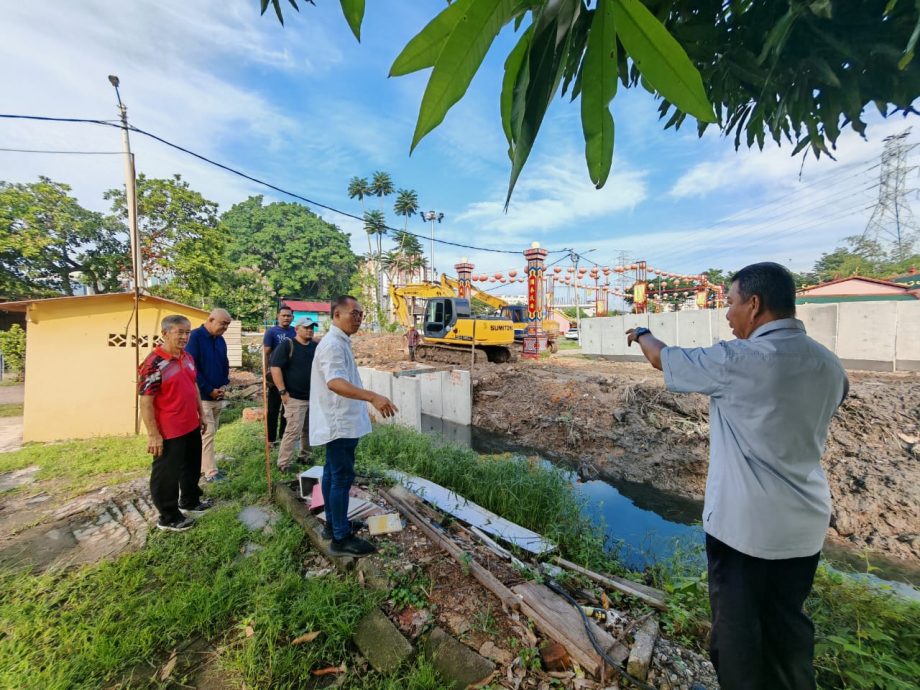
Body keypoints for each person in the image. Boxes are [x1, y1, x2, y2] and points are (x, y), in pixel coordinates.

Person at [626, 262, 848, 690]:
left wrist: (641, 332)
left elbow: (662, 359)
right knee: (788, 636)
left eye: (730, 304)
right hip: (804, 530)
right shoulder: (829, 364)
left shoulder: (738, 359)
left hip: (744, 532)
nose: (726, 315)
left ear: (755, 304)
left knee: (737, 642)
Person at [310, 295, 398, 556]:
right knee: (341, 478)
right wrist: (372, 397)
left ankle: (333, 524)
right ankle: (340, 538)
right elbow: (335, 382)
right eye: (353, 314)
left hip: (342, 420)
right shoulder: (332, 345)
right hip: (339, 423)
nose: (358, 319)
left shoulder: (339, 342)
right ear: (336, 315)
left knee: (331, 473)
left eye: (361, 314)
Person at [138, 315, 213, 532]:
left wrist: (202, 414)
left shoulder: (187, 357)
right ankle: (168, 516)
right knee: (166, 474)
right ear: (165, 333)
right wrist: (153, 434)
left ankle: (190, 500)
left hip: (190, 423)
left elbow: (194, 387)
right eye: (179, 332)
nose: (184, 337)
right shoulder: (154, 363)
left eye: (187, 332)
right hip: (169, 429)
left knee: (191, 466)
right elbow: (146, 401)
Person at [185, 308, 231, 483]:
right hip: (202, 397)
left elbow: (224, 363)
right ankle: (210, 473)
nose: (225, 328)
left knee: (210, 434)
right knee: (208, 433)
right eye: (222, 323)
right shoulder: (195, 338)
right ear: (211, 319)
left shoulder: (220, 340)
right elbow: (192, 368)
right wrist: (208, 389)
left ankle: (203, 467)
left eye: (227, 325)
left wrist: (223, 383)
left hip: (217, 395)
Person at [270, 317, 319, 472]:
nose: (310, 330)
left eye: (312, 328)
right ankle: (283, 464)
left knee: (309, 430)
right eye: (306, 328)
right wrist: (282, 391)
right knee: (293, 431)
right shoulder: (288, 345)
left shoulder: (315, 346)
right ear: (297, 329)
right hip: (294, 397)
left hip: (312, 396)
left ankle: (305, 456)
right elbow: (275, 367)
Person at [263, 306, 295, 444]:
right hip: (275, 375)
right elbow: (266, 353)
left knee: (287, 408)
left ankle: (283, 437)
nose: (286, 318)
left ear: (292, 317)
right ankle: (270, 439)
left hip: (290, 375)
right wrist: (266, 374)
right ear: (278, 316)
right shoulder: (271, 332)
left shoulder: (295, 331)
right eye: (283, 315)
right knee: (273, 408)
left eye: (289, 315)